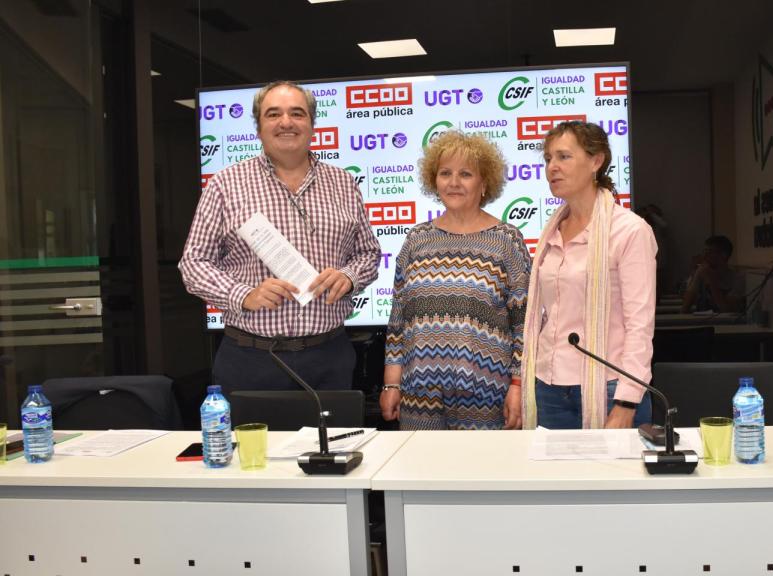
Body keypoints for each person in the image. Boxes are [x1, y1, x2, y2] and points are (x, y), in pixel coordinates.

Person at [179, 80, 380, 395]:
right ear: (258, 128)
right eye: (274, 114)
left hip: (329, 357)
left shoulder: (343, 183)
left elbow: (368, 254)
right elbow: (193, 263)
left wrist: (349, 277)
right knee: (253, 447)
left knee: (330, 445)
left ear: (312, 125)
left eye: (297, 114)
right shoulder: (225, 184)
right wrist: (243, 294)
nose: (286, 122)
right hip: (250, 358)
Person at [380, 131, 530, 430]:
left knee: (481, 475)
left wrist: (519, 385)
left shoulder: (506, 240)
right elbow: (398, 319)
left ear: (484, 182)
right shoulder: (417, 240)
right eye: (445, 173)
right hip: (419, 396)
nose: (453, 182)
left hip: (488, 394)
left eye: (465, 174)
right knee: (421, 475)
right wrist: (391, 385)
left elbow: (523, 324)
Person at [521, 121, 657, 429]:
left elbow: (640, 324)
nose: (552, 167)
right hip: (549, 386)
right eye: (547, 159)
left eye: (564, 157)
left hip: (610, 388)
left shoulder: (629, 230)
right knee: (553, 479)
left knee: (612, 478)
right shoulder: (551, 232)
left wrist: (627, 401)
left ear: (596, 161)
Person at [680, 235, 743, 313]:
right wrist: (695, 275)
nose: (705, 256)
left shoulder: (737, 279)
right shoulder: (701, 272)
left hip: (726, 324)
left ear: (724, 255)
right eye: (704, 251)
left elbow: (727, 310)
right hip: (702, 323)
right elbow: (684, 308)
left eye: (709, 251)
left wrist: (711, 282)